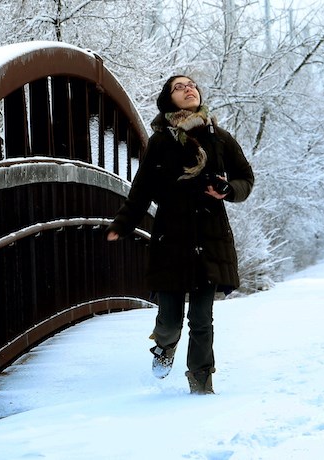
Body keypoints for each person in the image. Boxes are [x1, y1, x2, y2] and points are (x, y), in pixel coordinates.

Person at [106, 75, 254, 395]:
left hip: (209, 238)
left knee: (202, 320)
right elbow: (142, 190)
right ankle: (164, 347)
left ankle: (201, 384)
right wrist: (123, 224)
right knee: (171, 320)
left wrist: (229, 190)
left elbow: (245, 178)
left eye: (191, 85)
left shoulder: (219, 138)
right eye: (179, 87)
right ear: (168, 100)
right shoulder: (160, 142)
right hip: (170, 241)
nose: (188, 89)